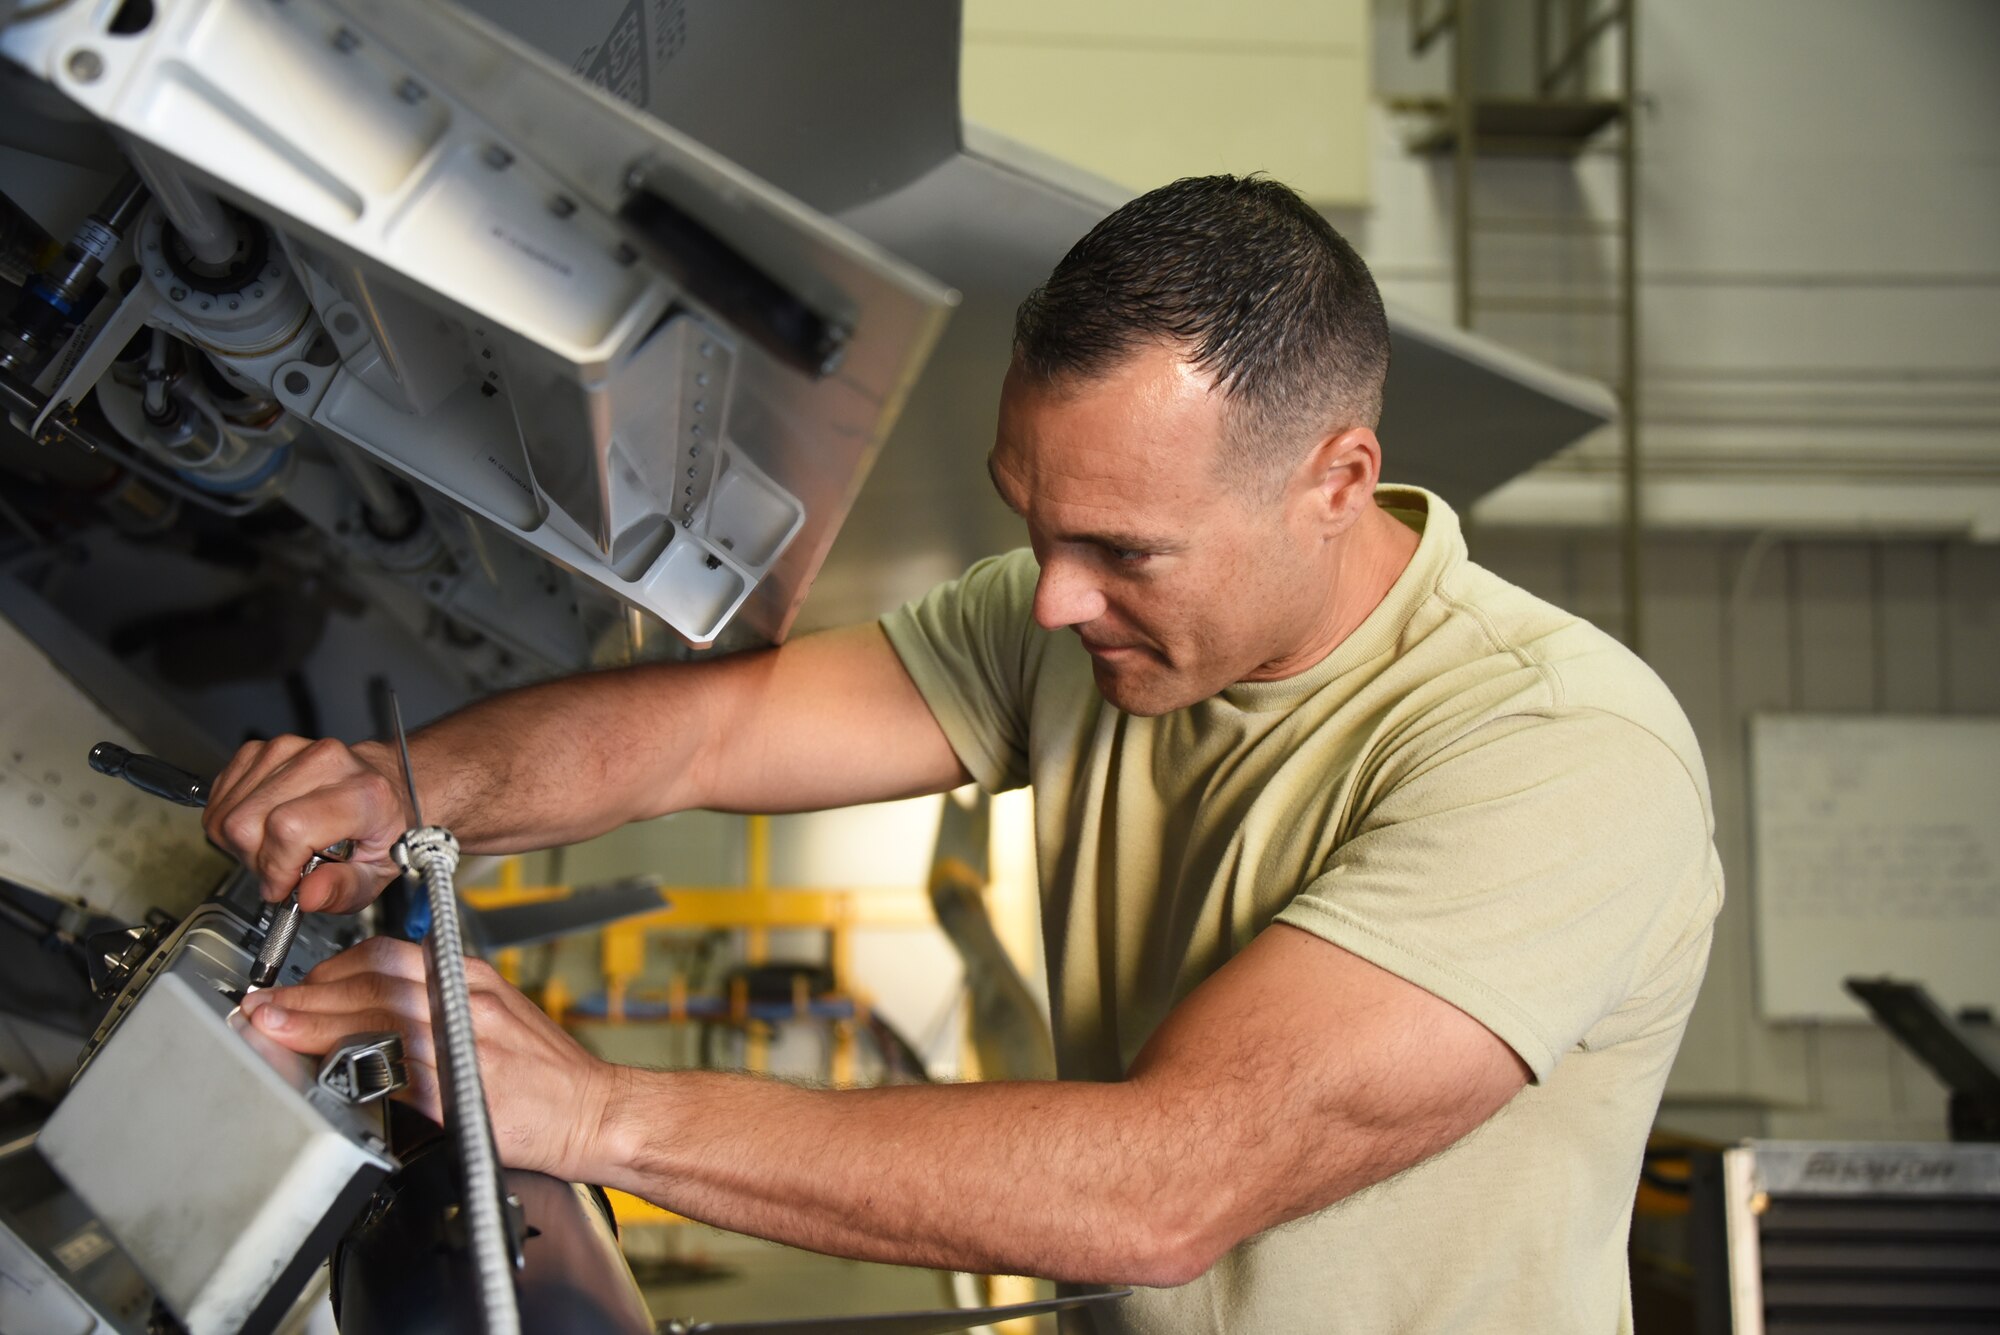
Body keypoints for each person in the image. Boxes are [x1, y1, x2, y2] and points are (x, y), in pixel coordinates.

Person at [206, 175, 1722, 1334]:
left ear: (1337, 482)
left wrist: (591, 1114)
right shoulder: (1080, 625)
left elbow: (1165, 1184)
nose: (1057, 599)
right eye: (1034, 527)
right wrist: (398, 792)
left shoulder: (1554, 755)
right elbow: (713, 731)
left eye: (1124, 548)